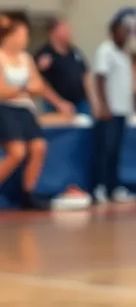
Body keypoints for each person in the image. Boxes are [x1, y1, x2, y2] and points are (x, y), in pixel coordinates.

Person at [0, 13, 74, 210]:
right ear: (10, 36)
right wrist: (25, 89)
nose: (26, 39)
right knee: (17, 152)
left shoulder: (26, 59)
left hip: (25, 109)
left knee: (39, 146)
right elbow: (2, 90)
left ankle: (28, 193)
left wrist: (21, 89)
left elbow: (39, 86)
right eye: (23, 34)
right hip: (5, 109)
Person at [91, 19, 136, 204]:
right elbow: (100, 78)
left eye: (127, 33)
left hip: (122, 110)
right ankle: (99, 187)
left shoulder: (124, 54)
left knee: (116, 151)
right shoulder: (105, 51)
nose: (125, 36)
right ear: (112, 34)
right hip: (109, 110)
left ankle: (114, 188)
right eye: (121, 32)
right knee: (104, 150)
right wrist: (104, 104)